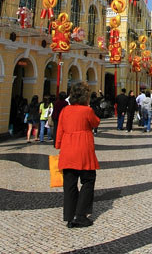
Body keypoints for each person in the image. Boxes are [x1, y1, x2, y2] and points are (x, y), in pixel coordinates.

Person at [56, 81, 99, 228]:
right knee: (88, 180)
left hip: (68, 149)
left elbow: (60, 129)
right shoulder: (86, 110)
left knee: (69, 184)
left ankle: (69, 216)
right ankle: (80, 215)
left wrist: (59, 144)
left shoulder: (65, 111)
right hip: (83, 149)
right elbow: (95, 123)